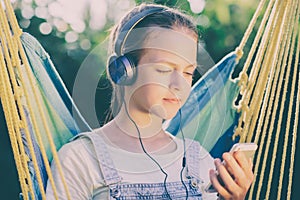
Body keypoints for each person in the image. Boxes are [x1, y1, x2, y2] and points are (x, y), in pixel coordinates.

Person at [46, 3, 254, 200]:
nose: (179, 85)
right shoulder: (80, 159)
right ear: (122, 71)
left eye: (188, 72)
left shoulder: (199, 160)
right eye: (164, 69)